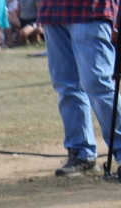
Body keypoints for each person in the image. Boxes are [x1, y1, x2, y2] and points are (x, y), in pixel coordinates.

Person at [38, 0, 121, 178]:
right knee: (66, 86)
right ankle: (81, 153)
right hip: (52, 9)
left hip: (90, 8)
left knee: (98, 84)